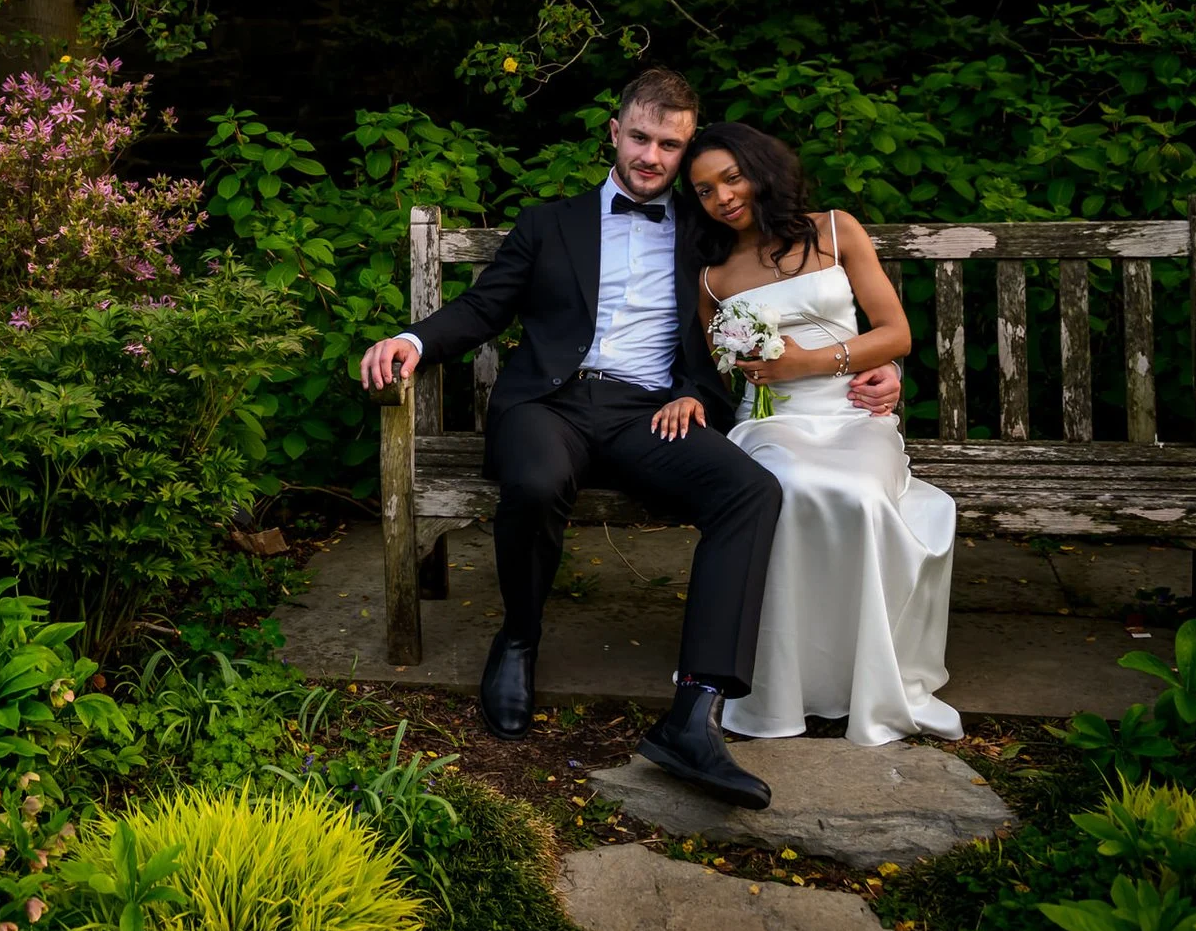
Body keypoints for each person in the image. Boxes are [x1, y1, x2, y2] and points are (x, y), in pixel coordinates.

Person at [357, 70, 903, 808]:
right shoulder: (549, 223)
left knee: (749, 489)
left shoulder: (705, 233)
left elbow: (770, 311)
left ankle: (694, 712)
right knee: (537, 479)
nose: (652, 155)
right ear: (614, 132)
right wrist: (412, 340)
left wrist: (861, 370)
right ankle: (518, 637)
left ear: (685, 152)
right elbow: (484, 307)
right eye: (641, 137)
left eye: (669, 144)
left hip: (650, 412)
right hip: (547, 403)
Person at [684, 121, 961, 745]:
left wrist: (866, 369)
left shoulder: (836, 229)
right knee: (787, 488)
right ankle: (786, 688)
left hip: (852, 414)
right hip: (772, 421)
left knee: (860, 496)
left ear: (760, 168)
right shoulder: (713, 277)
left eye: (732, 178)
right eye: (703, 191)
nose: (723, 198)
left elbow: (896, 332)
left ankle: (857, 680)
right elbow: (715, 374)